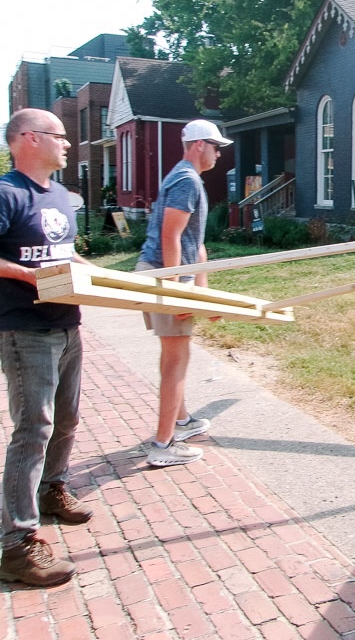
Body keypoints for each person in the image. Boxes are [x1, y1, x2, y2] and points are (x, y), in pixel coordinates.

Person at [0, 109, 93, 587]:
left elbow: (63, 255)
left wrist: (101, 278)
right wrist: (26, 276)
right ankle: (18, 546)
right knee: (34, 429)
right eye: (59, 136)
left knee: (66, 420)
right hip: (24, 330)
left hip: (66, 325)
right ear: (29, 138)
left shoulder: (60, 196)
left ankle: (52, 490)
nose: (67, 143)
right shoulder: (2, 194)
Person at [137, 119, 232, 467]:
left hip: (168, 274)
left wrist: (204, 297)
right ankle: (163, 445)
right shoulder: (186, 180)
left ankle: (182, 421)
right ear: (198, 145)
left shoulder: (186, 178)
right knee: (176, 361)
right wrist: (175, 290)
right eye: (215, 147)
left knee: (174, 354)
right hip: (164, 274)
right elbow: (170, 236)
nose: (219, 154)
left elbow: (197, 244)